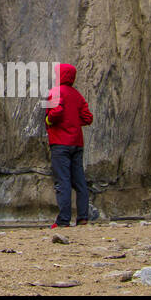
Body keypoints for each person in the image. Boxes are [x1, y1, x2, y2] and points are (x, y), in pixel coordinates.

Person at [45, 62, 93, 227]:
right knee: (79, 182)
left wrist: (49, 120)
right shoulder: (77, 95)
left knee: (62, 181)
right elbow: (88, 118)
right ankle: (83, 218)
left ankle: (63, 220)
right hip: (77, 143)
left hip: (60, 143)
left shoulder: (55, 92)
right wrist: (73, 121)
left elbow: (55, 112)